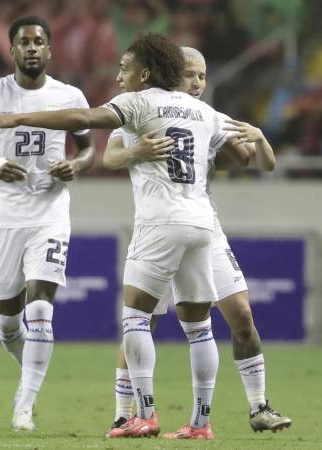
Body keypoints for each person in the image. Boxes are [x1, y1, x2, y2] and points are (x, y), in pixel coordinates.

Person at [0, 32, 234, 440]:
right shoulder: (201, 110)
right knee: (199, 327)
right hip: (203, 223)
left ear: (145, 73)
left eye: (125, 69)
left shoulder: (140, 101)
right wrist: (257, 137)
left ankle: (144, 414)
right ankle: (202, 423)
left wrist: (17, 118)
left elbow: (82, 119)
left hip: (160, 223)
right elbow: (245, 148)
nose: (118, 77)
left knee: (136, 318)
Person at [103, 47, 292, 438]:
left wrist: (258, 140)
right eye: (190, 74)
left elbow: (249, 159)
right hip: (159, 226)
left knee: (240, 315)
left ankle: (258, 407)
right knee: (143, 320)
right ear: (171, 75)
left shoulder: (207, 115)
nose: (198, 83)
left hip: (202, 228)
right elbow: (110, 155)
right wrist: (137, 151)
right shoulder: (143, 108)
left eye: (203, 76)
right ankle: (124, 412)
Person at [0, 15, 95, 432]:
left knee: (42, 310)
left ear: (50, 50)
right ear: (11, 50)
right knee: (8, 323)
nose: (32, 48)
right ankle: (31, 367)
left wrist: (74, 166)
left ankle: (24, 406)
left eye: (39, 42)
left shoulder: (69, 97)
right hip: (4, 217)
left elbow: (87, 149)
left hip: (49, 215)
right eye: (24, 42)